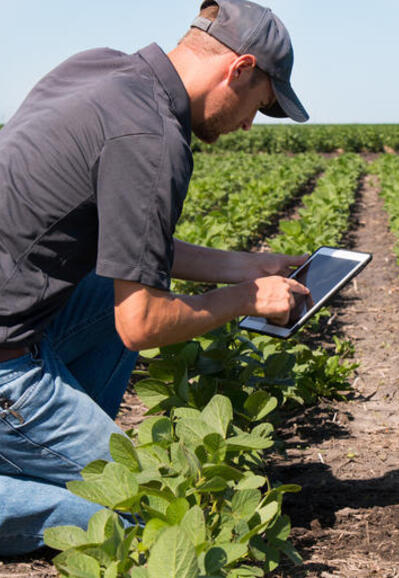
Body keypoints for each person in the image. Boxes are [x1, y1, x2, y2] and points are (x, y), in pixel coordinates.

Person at [0, 0, 309, 556]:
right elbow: (140, 324)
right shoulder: (155, 140)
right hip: (5, 367)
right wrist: (244, 297)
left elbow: (124, 248)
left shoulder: (97, 69)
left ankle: (49, 452)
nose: (245, 124)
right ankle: (45, 472)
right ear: (238, 69)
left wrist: (242, 264)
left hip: (18, 326)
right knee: (156, 514)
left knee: (107, 284)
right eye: (257, 107)